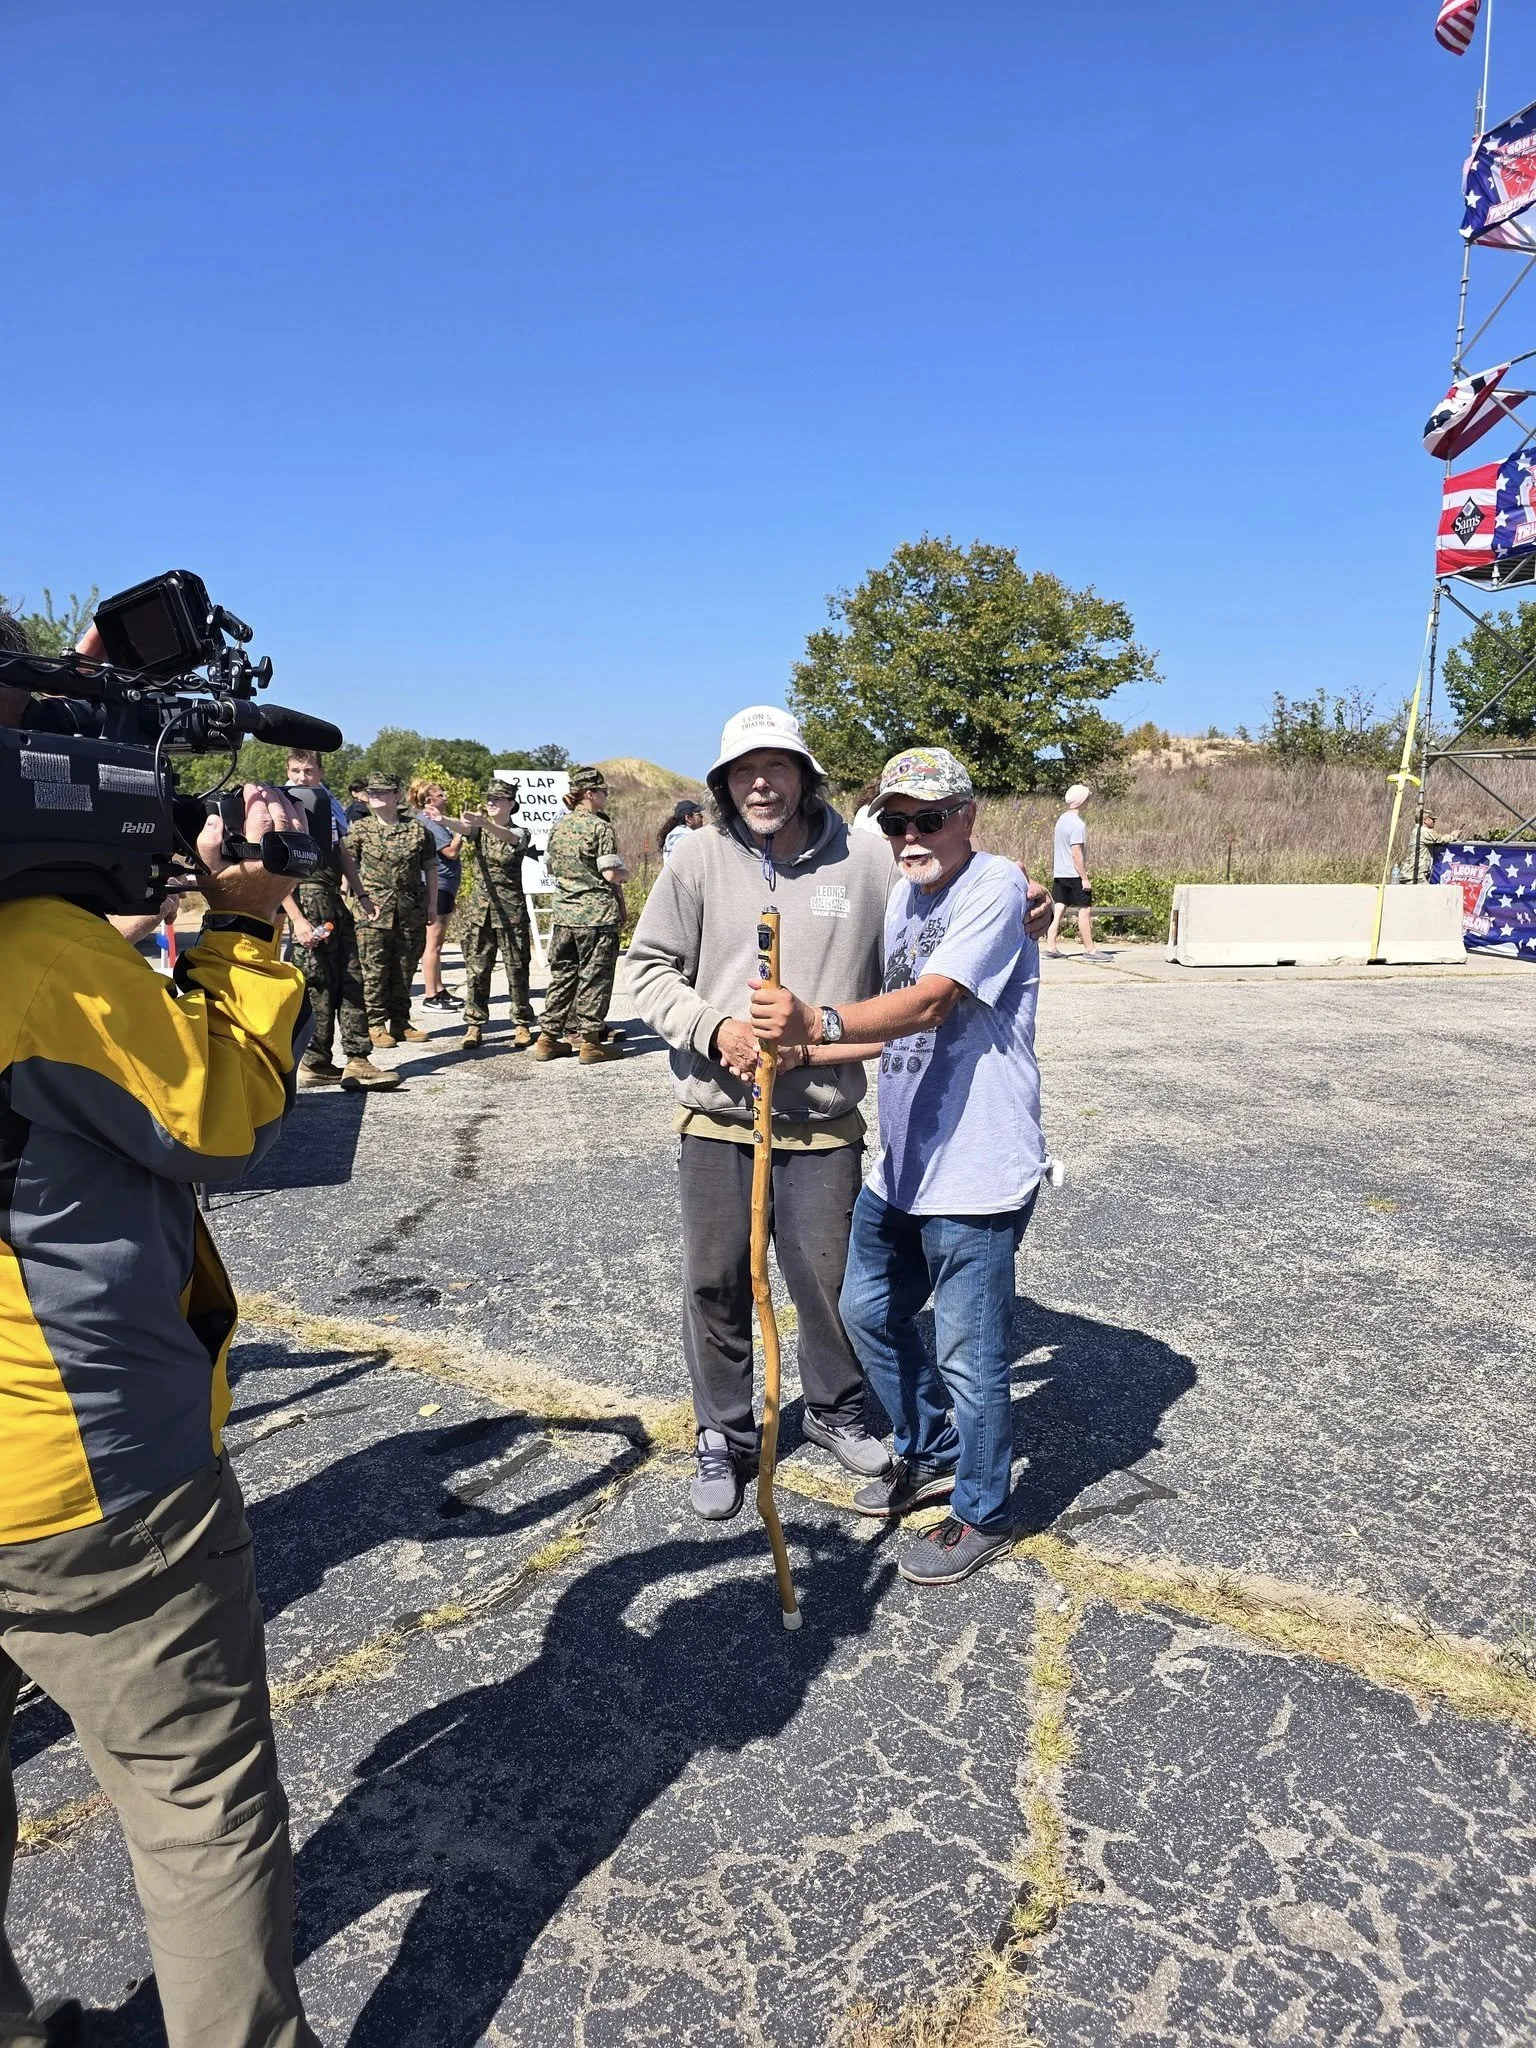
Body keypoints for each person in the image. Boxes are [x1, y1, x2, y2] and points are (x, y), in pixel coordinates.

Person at [0, 609, 320, 2046]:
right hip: (74, 1474)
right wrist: (242, 927)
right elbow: (230, 1115)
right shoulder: (35, 961)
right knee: (199, 1805)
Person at [751, 746, 1046, 1589]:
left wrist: (819, 1013)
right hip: (906, 1163)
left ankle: (983, 1509)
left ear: (968, 814)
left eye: (929, 817)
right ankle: (934, 1445)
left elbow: (934, 999)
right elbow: (904, 1023)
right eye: (896, 821)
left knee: (970, 1353)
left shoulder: (992, 886)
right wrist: (808, 1047)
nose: (912, 835)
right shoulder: (906, 901)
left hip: (979, 1168)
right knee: (866, 1309)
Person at [626, 706, 900, 1517]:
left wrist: (1020, 894)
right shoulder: (698, 858)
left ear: (804, 774)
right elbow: (647, 971)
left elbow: (939, 910)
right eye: (744, 770)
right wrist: (717, 1032)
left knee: (831, 1282)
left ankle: (834, 1409)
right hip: (718, 1117)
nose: (761, 783)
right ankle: (726, 1435)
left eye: (777, 766)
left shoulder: (867, 859)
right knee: (714, 1282)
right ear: (721, 783)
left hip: (821, 1122)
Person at [280, 749, 399, 1093]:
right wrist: (298, 919)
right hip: (306, 898)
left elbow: (339, 851)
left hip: (334, 899)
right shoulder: (282, 805)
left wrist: (361, 894)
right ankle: (316, 1060)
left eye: (308, 770)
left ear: (320, 771)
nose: (302, 777)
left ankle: (355, 1059)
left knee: (350, 977)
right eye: (296, 770)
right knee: (318, 984)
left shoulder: (325, 802)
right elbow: (273, 869)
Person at [535, 766, 630, 1065]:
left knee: (562, 978)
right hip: (595, 916)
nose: (606, 796)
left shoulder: (559, 826)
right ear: (590, 793)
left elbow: (549, 866)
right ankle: (590, 1043)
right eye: (603, 791)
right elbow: (610, 872)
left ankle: (547, 1039)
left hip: (563, 915)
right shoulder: (599, 827)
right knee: (594, 978)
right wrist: (626, 873)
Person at [348, 772, 437, 1048]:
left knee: (405, 967)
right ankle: (375, 1023)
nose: (375, 796)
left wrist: (432, 904)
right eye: (372, 792)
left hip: (410, 909)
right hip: (373, 910)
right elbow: (348, 866)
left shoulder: (417, 829)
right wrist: (351, 899)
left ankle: (400, 1021)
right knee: (374, 969)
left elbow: (430, 868)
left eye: (382, 792)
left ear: (396, 795)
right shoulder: (360, 829)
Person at [457, 778, 538, 1053]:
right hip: (481, 911)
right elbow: (461, 829)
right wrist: (441, 818)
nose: (491, 803)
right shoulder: (479, 830)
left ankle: (521, 1023)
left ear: (511, 804)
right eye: (489, 799)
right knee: (477, 970)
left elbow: (513, 839)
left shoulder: (520, 832)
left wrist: (485, 824)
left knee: (517, 968)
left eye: (497, 799)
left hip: (510, 911)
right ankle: (475, 1024)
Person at [410, 778, 466, 1011]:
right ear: (430, 800)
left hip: (446, 886)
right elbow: (450, 852)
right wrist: (462, 830)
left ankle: (439, 989)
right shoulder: (430, 822)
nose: (446, 798)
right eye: (441, 795)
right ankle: (430, 995)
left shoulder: (436, 822)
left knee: (438, 944)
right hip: (438, 886)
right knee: (433, 943)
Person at [1046, 782, 1101, 959]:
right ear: (1082, 800)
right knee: (1084, 909)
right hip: (1073, 873)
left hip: (1060, 872)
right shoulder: (1078, 824)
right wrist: (1084, 877)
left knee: (1060, 907)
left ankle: (1051, 946)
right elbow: (1076, 852)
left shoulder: (1061, 820)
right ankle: (1089, 949)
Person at [659, 798, 704, 863]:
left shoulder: (676, 835)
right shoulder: (686, 838)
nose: (702, 817)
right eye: (699, 815)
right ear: (688, 818)